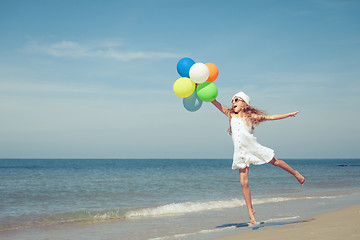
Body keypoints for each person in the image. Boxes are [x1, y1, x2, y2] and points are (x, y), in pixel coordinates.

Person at [211, 91, 305, 224]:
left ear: (244, 103)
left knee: (275, 161)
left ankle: (296, 173)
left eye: (236, 100)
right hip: (240, 152)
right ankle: (250, 212)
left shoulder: (251, 117)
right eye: (232, 101)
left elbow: (271, 117)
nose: (233, 103)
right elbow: (215, 102)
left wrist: (288, 115)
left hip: (253, 148)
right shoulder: (230, 114)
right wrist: (202, 91)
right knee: (243, 183)